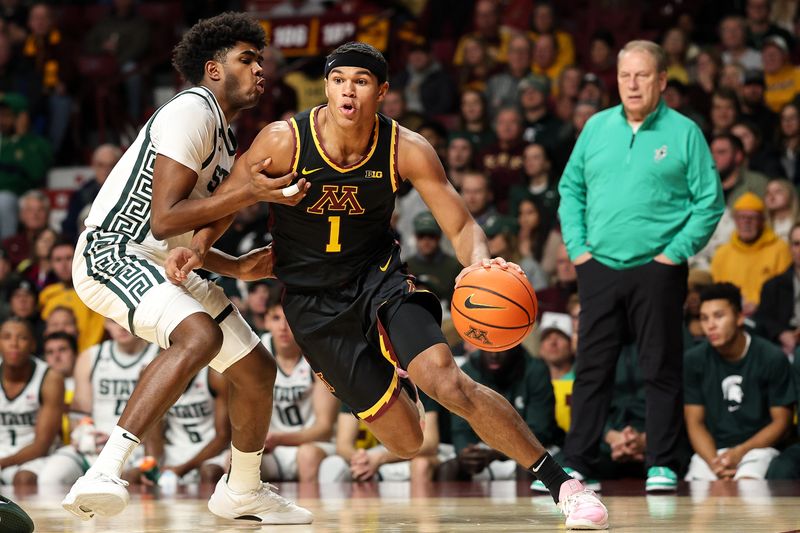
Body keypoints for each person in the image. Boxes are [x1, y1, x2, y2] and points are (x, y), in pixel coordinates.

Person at [169, 41, 607, 529]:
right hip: (314, 306)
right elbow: (228, 201)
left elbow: (461, 226)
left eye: (359, 81)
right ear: (328, 88)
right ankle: (399, 374)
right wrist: (202, 248)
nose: (347, 91)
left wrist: (482, 264)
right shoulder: (283, 140)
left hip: (379, 280)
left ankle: (565, 485)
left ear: (382, 92)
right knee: (406, 442)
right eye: (338, 81)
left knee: (447, 381)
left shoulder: (406, 147)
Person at [61, 13, 312, 525]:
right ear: (214, 70)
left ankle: (242, 490)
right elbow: (163, 217)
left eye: (260, 60)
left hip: (155, 257)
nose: (260, 70)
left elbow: (178, 234)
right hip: (111, 251)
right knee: (199, 337)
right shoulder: (192, 109)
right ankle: (104, 471)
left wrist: (236, 265)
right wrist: (249, 191)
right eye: (247, 59)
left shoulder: (222, 134)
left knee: (255, 370)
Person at [558, 40, 724, 493]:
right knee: (591, 368)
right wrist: (578, 250)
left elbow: (710, 202)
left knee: (660, 367)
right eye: (625, 75)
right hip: (598, 266)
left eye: (642, 75)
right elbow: (570, 188)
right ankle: (577, 464)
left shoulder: (685, 132)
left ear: (663, 80)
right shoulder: (595, 127)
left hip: (658, 267)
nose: (632, 84)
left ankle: (663, 464)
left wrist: (673, 254)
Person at [684, 283, 794, 480]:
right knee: (696, 492)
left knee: (746, 485)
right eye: (704, 318)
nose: (710, 325)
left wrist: (739, 452)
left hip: (758, 449)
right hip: (712, 452)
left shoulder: (771, 357)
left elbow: (782, 422)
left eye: (719, 316)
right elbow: (695, 422)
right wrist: (714, 463)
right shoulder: (694, 360)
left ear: (740, 317)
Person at [260, 285, 339, 483]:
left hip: (314, 444)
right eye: (276, 318)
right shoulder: (257, 353)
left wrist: (279, 438)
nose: (283, 328)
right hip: (273, 449)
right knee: (236, 459)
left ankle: (311, 513)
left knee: (307, 455)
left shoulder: (318, 354)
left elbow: (324, 428)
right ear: (266, 320)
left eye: (289, 320)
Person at [0, 317, 65, 486]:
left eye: (22, 338)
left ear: (33, 345)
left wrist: (3, 463)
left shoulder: (50, 378)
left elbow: (41, 445)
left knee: (24, 479)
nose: (14, 343)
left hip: (35, 457)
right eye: (7, 337)